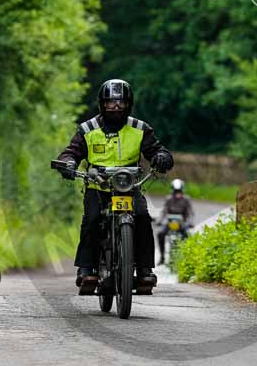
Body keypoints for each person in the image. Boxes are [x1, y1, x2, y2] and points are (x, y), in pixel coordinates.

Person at [55, 79, 173, 289]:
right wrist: (68, 163)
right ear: (102, 104)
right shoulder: (87, 129)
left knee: (143, 217)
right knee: (91, 219)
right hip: (97, 187)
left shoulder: (140, 128)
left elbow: (157, 150)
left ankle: (145, 270)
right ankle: (86, 270)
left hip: (129, 188)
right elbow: (70, 152)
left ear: (129, 104)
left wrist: (162, 157)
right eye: (111, 102)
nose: (116, 106)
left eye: (121, 102)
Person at [156, 179, 194, 265]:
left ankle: (185, 257)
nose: (178, 194)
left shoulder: (186, 200)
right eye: (176, 191)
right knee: (160, 234)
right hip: (170, 223)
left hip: (181, 224)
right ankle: (162, 257)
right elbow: (164, 211)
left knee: (186, 236)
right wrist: (159, 220)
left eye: (179, 191)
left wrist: (190, 222)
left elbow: (191, 213)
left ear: (182, 191)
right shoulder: (168, 199)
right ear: (172, 191)